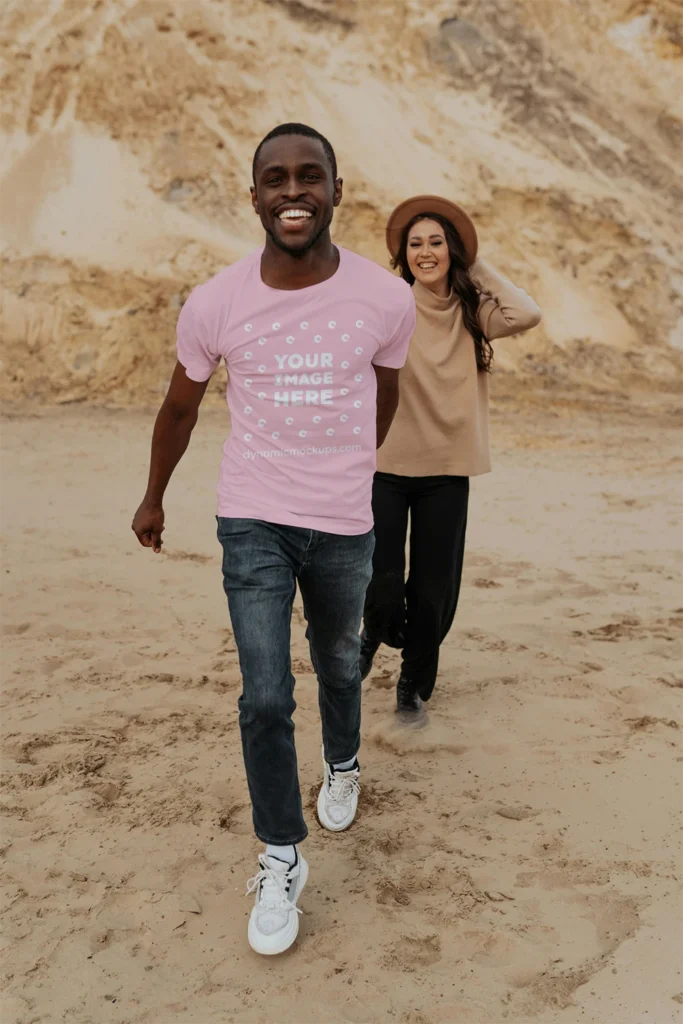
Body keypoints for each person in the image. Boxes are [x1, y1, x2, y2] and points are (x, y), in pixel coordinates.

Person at [131, 124, 415, 955]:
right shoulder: (216, 300)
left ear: (335, 189)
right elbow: (180, 407)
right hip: (251, 515)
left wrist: (356, 469)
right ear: (252, 195)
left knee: (336, 662)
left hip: (341, 521)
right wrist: (153, 497)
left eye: (309, 177)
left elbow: (383, 395)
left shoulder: (384, 298)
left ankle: (342, 761)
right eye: (275, 179)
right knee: (262, 693)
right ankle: (280, 853)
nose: (293, 192)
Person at [359, 195, 542, 720]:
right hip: (387, 467)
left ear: (452, 249)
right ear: (403, 254)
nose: (425, 252)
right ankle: (371, 631)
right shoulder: (391, 303)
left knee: (433, 589)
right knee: (382, 578)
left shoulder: (474, 310)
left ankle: (411, 688)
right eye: (415, 244)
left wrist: (473, 261)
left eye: (436, 242)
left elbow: (526, 313)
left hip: (446, 471)